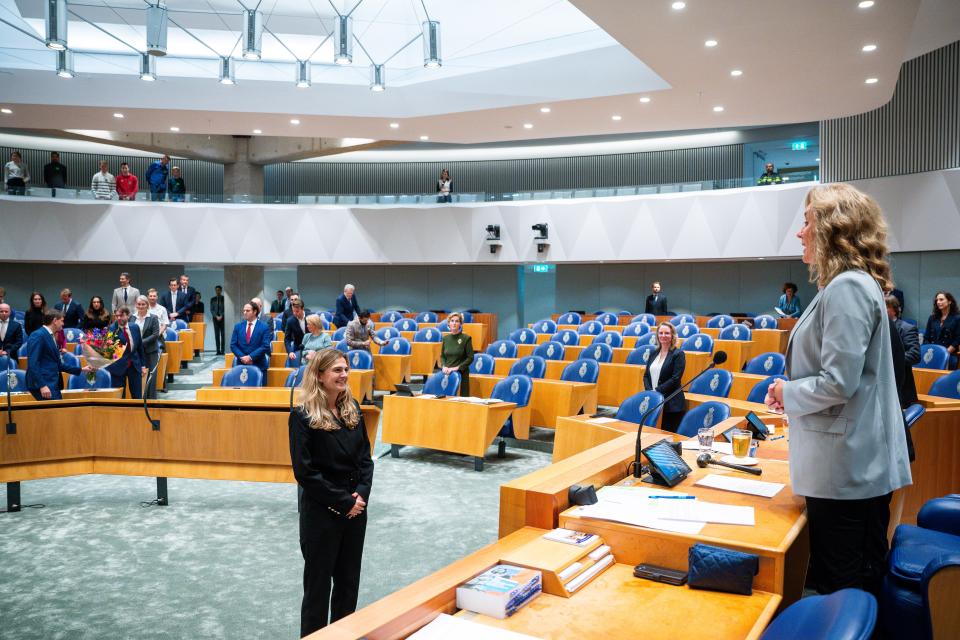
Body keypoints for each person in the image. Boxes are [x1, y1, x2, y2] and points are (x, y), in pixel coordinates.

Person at [765, 183, 912, 596]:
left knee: (845, 589)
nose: (800, 232)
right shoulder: (846, 285)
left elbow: (838, 381)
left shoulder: (848, 287)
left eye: (807, 222)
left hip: (848, 471)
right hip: (846, 467)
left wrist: (787, 392)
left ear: (831, 229)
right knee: (841, 582)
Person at [288, 348, 373, 636]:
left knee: (348, 586)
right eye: (337, 370)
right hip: (322, 513)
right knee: (317, 590)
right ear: (320, 375)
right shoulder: (302, 417)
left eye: (346, 369)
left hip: (355, 512)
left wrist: (360, 495)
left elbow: (365, 460)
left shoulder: (353, 409)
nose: (344, 375)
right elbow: (305, 472)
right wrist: (344, 502)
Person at [25, 310, 91, 400]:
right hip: (45, 385)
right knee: (55, 412)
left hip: (51, 383)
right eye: (62, 320)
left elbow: (58, 364)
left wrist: (82, 369)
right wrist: (42, 385)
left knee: (57, 411)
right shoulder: (38, 335)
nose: (63, 324)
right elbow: (33, 363)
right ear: (55, 321)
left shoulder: (50, 335)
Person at [642, 322, 686, 431]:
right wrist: (650, 392)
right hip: (654, 401)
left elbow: (675, 379)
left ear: (672, 336)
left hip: (671, 404)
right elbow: (646, 375)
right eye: (660, 333)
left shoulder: (678, 354)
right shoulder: (653, 353)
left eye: (667, 333)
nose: (663, 335)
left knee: (668, 437)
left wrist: (656, 391)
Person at [109, 306, 148, 399]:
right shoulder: (112, 329)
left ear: (128, 316)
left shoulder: (135, 327)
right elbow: (108, 350)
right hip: (118, 367)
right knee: (120, 397)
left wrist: (143, 366)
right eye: (116, 316)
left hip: (134, 366)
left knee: (137, 396)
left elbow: (139, 348)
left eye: (121, 315)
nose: (118, 318)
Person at [230, 301, 272, 375]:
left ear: (255, 311)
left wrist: (250, 357)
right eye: (244, 310)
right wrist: (243, 357)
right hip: (241, 365)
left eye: (248, 311)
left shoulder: (264, 327)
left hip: (259, 365)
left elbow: (265, 346)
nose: (245, 312)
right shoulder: (238, 326)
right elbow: (233, 345)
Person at [132, 296, 161, 399]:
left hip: (150, 351)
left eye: (143, 304)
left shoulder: (153, 317)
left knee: (151, 378)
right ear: (136, 305)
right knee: (137, 376)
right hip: (135, 352)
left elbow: (155, 334)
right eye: (139, 304)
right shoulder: (132, 317)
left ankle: (151, 400)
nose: (141, 306)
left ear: (147, 305)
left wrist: (140, 343)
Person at [439, 312, 474, 396]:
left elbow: (470, 358)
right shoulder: (446, 338)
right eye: (452, 321)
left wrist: (456, 368)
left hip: (461, 374)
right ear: (449, 323)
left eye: (457, 321)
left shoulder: (466, 338)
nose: (454, 323)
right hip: (447, 373)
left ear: (460, 324)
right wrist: (444, 366)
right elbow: (443, 356)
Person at [923, 291, 960, 369]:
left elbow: (958, 339)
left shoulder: (957, 318)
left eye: (941, 299)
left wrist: (945, 353)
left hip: (949, 354)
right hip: (932, 353)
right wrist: (931, 351)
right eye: (937, 300)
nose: (938, 302)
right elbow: (926, 338)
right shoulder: (932, 318)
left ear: (949, 301)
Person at [210, 286, 225, 355]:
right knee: (216, 335)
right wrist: (216, 316)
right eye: (216, 290)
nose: (217, 291)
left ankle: (222, 350)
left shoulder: (224, 298)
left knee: (223, 335)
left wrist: (221, 315)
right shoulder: (212, 299)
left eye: (219, 290)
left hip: (223, 319)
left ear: (221, 290)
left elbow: (225, 308)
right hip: (215, 319)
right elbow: (211, 309)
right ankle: (218, 350)